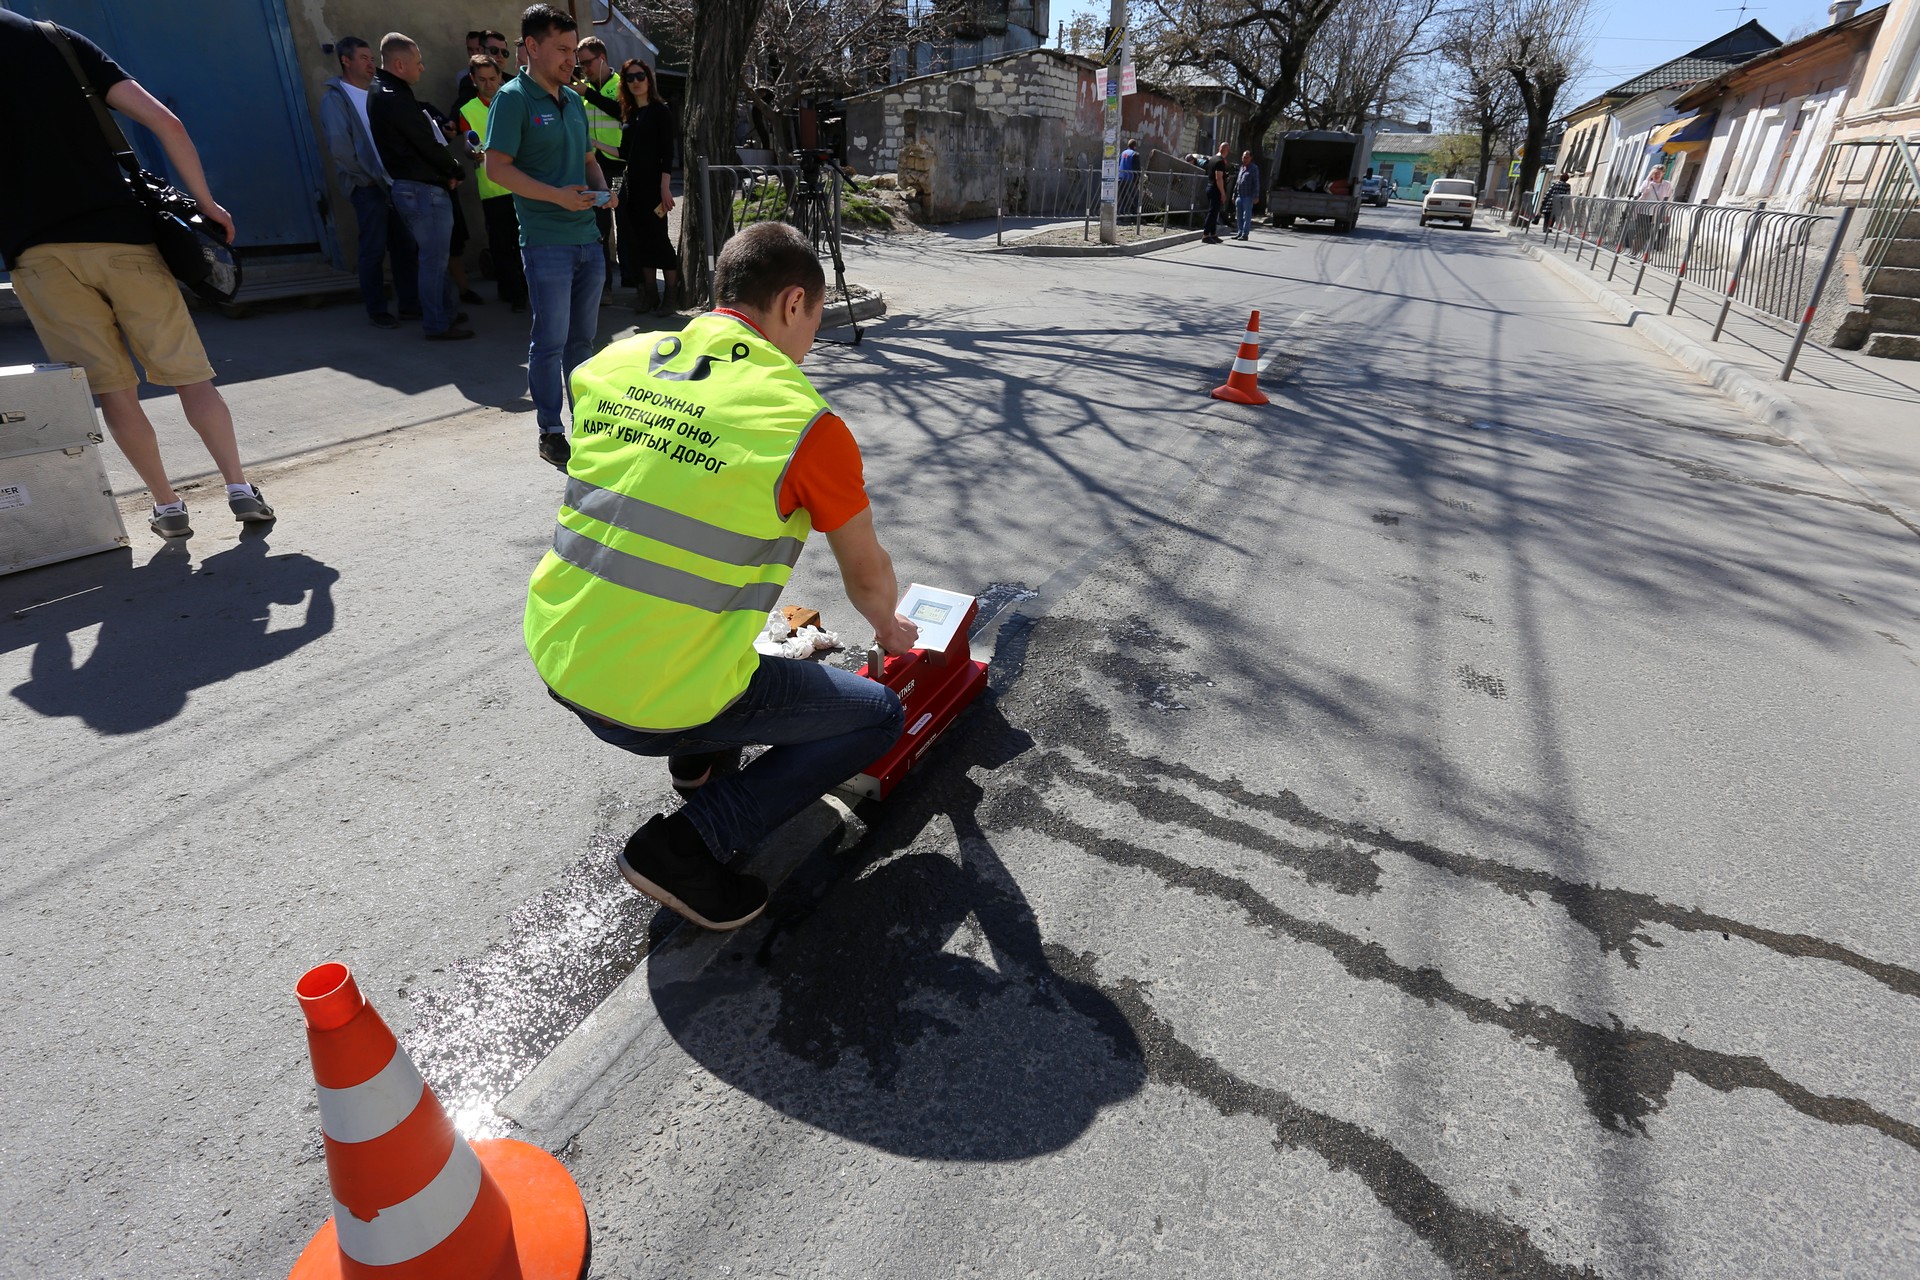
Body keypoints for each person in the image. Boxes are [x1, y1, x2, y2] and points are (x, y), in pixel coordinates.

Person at [524, 221, 916, 932]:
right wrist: (889, 628)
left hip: (557, 652)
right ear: (794, 303)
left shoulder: (611, 365)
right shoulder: (803, 423)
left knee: (739, 633)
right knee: (877, 716)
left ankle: (698, 764)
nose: (812, 341)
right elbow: (865, 573)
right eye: (817, 320)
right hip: (655, 697)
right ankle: (684, 844)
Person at [0, 10, 274, 539]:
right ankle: (239, 489)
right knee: (191, 376)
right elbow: (166, 122)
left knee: (114, 392)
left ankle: (168, 506)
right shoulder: (55, 40)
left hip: (37, 256)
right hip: (121, 236)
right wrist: (205, 202)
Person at [485, 3, 616, 472]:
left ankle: (587, 422)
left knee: (584, 342)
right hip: (545, 242)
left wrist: (602, 193)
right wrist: (556, 198)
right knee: (551, 341)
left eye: (573, 49)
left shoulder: (575, 100)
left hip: (588, 238)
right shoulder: (513, 98)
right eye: (561, 49)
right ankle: (551, 431)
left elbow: (587, 161)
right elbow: (496, 168)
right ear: (532, 47)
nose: (571, 59)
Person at [368, 33, 470, 341]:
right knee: (433, 260)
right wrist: (454, 169)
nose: (422, 68)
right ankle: (437, 323)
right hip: (421, 189)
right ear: (400, 64)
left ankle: (444, 311)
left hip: (413, 187)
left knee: (432, 258)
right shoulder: (394, 97)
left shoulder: (383, 91)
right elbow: (424, 143)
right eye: (418, 62)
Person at [319, 35, 421, 330]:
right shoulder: (336, 99)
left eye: (371, 58)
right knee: (373, 249)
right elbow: (341, 149)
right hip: (366, 187)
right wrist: (366, 180)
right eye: (363, 58)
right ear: (345, 61)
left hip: (394, 183)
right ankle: (377, 309)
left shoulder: (378, 92)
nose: (370, 64)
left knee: (404, 246)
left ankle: (410, 305)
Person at [460, 55, 527, 312]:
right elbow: (468, 142)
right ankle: (512, 292)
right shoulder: (467, 110)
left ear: (501, 76)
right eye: (482, 80)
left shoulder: (515, 101)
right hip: (492, 189)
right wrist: (470, 151)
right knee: (502, 244)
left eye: (492, 78)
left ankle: (524, 287)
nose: (488, 84)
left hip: (522, 184)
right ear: (473, 80)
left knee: (524, 241)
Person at [614, 58, 678, 315]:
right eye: (630, 78)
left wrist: (665, 188)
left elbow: (667, 153)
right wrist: (592, 143)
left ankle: (671, 296)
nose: (636, 82)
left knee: (659, 241)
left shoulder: (660, 110)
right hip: (633, 188)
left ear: (649, 78)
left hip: (654, 188)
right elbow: (623, 152)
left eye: (640, 76)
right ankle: (649, 294)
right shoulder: (630, 112)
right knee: (639, 242)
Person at [574, 35, 624, 292]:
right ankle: (604, 286)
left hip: (619, 164)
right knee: (600, 226)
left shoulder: (622, 83)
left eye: (587, 63)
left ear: (601, 59)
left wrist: (589, 95)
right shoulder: (582, 89)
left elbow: (621, 112)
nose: (583, 69)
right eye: (580, 64)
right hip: (594, 166)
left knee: (626, 222)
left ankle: (635, 282)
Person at [1203, 142, 1229, 244]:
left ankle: (1213, 234)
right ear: (1226, 150)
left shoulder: (1212, 159)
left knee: (1214, 212)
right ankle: (1205, 234)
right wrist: (1223, 192)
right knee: (1212, 212)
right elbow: (1218, 178)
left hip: (1209, 187)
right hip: (1215, 189)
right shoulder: (1220, 161)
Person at [1233, 150, 1258, 240]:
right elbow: (1237, 182)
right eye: (1244, 157)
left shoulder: (1253, 168)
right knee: (1238, 215)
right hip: (1239, 195)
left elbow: (1256, 183)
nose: (1245, 159)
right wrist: (1234, 194)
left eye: (1247, 157)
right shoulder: (1241, 168)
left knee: (1246, 216)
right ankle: (1239, 232)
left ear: (1251, 158)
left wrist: (1256, 196)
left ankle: (1245, 234)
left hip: (1248, 196)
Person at [1117, 138, 1140, 221]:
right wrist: (1137, 180)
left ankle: (1121, 215)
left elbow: (1119, 163)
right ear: (1135, 146)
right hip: (1129, 179)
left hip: (1120, 178)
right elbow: (1137, 169)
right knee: (1135, 198)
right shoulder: (1134, 154)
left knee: (1123, 198)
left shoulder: (1123, 153)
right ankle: (1135, 217)